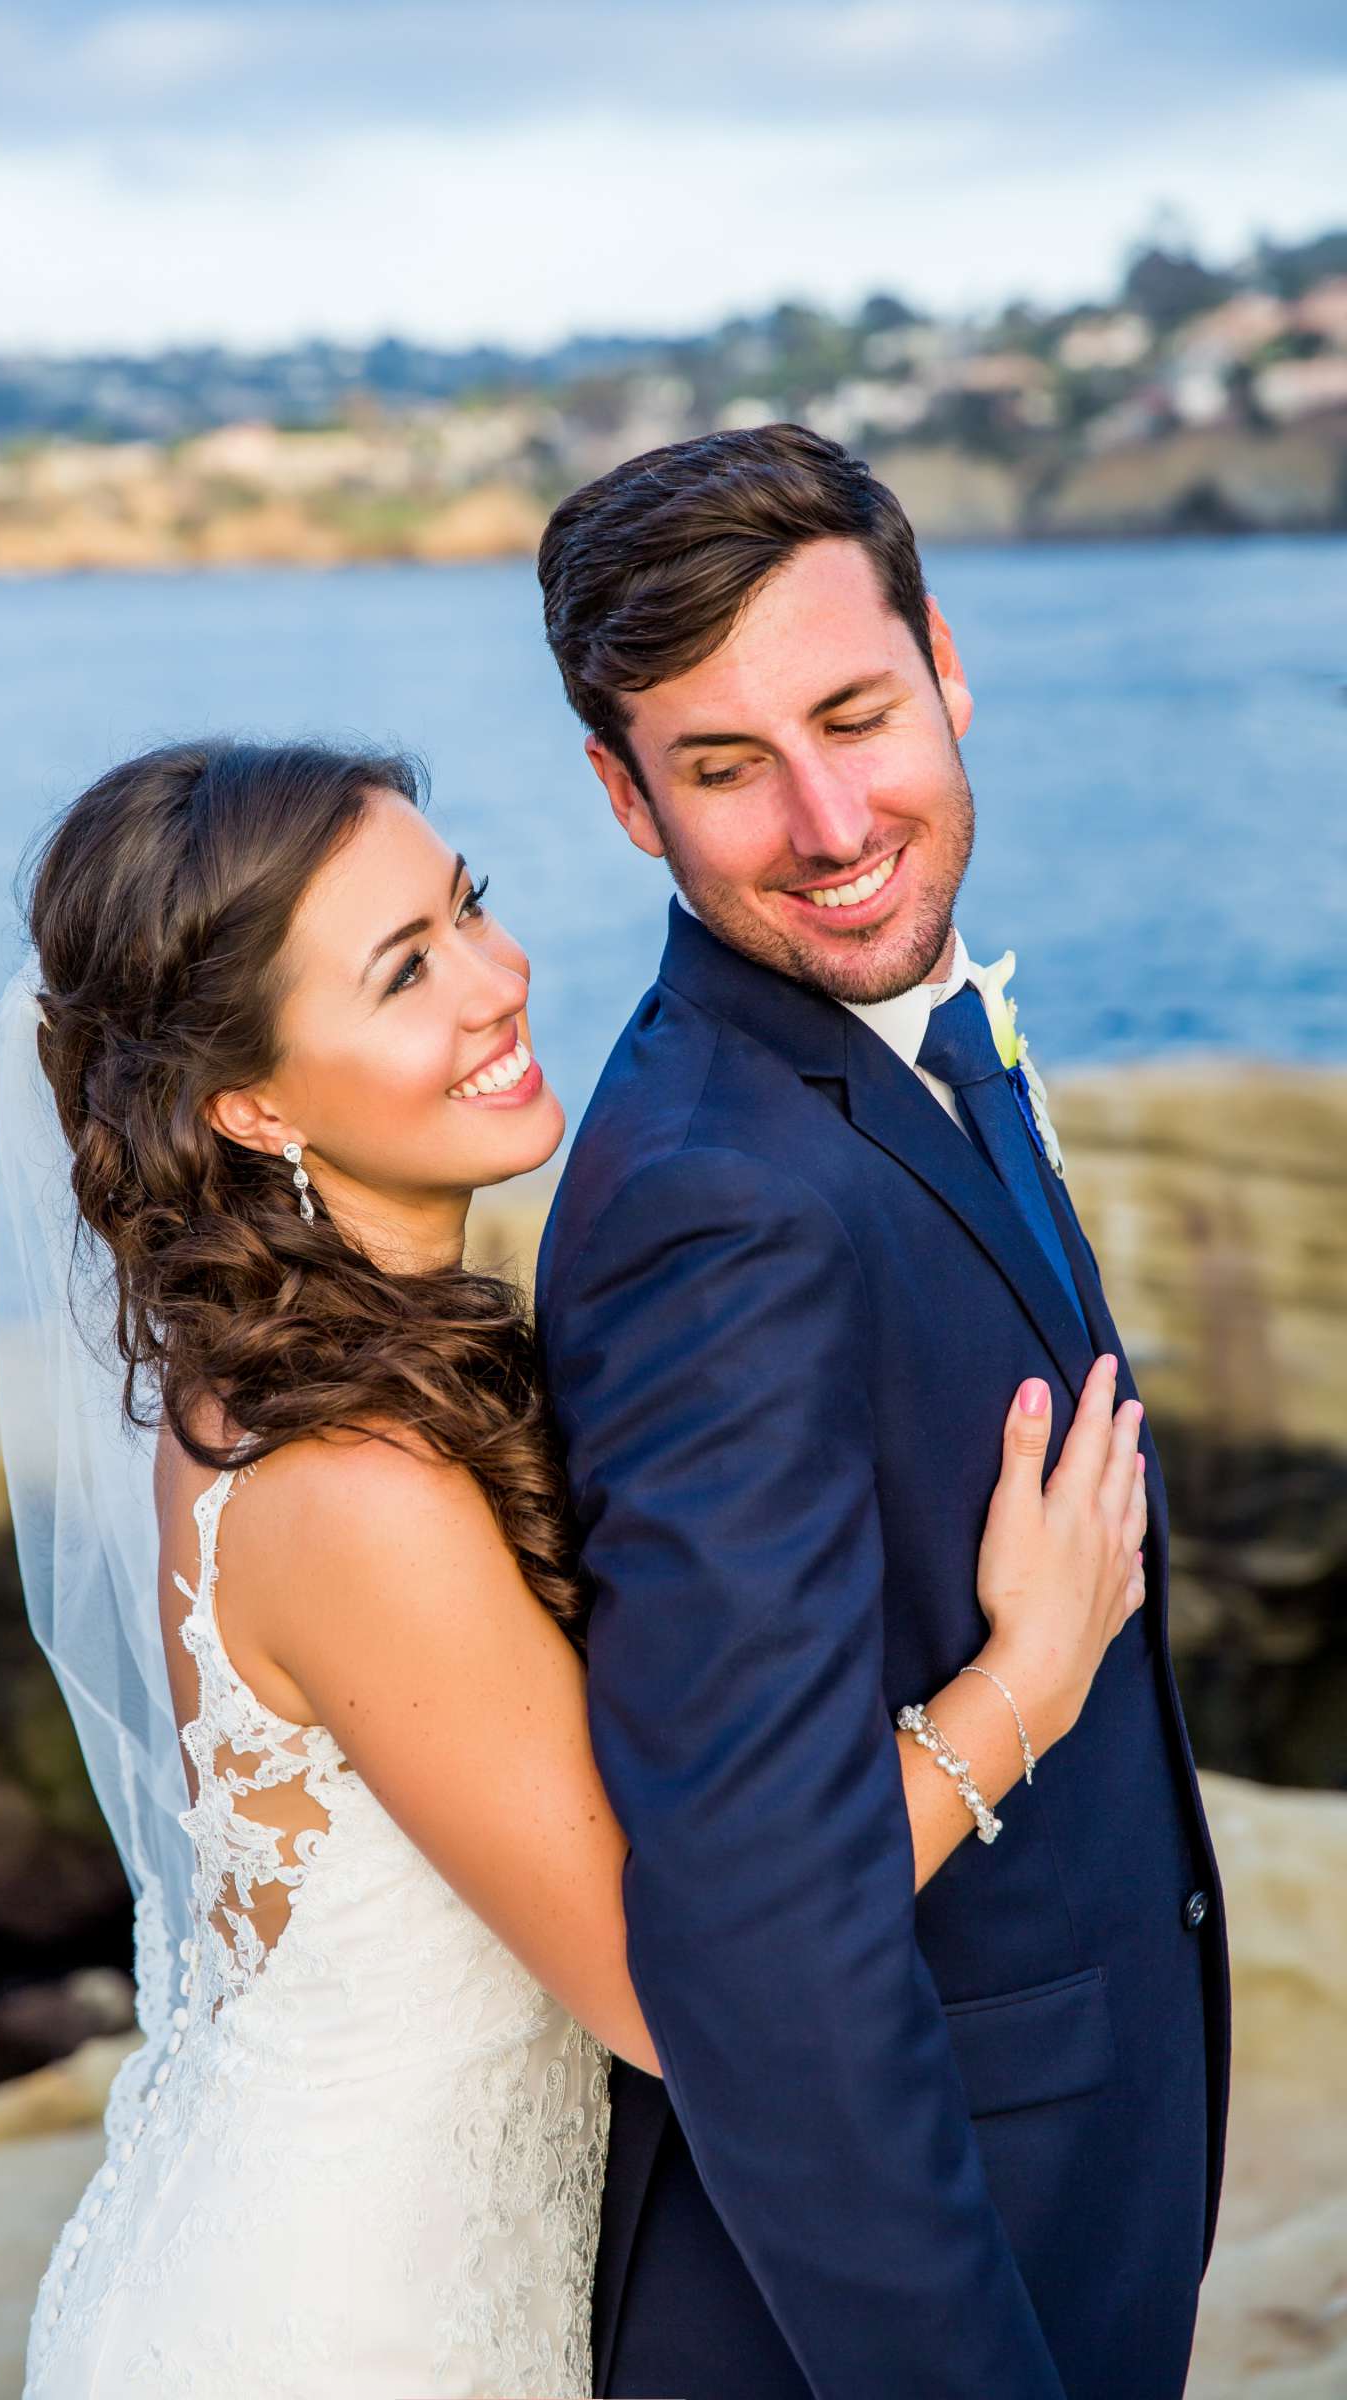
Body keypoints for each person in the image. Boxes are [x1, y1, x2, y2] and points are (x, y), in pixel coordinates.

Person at [0, 736, 1150, 2399]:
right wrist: (1023, 1682)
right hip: (345, 2322)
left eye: (470, 907)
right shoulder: (351, 1481)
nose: (497, 981)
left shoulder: (302, 1375)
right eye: (406, 972)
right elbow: (675, 1985)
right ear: (246, 1101)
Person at [534, 422, 1231, 2400]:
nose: (830, 823)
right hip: (887, 2303)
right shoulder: (711, 1197)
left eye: (853, 713)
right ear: (621, 797)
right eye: (725, 767)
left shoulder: (877, 1037)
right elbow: (758, 1942)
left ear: (946, 661)